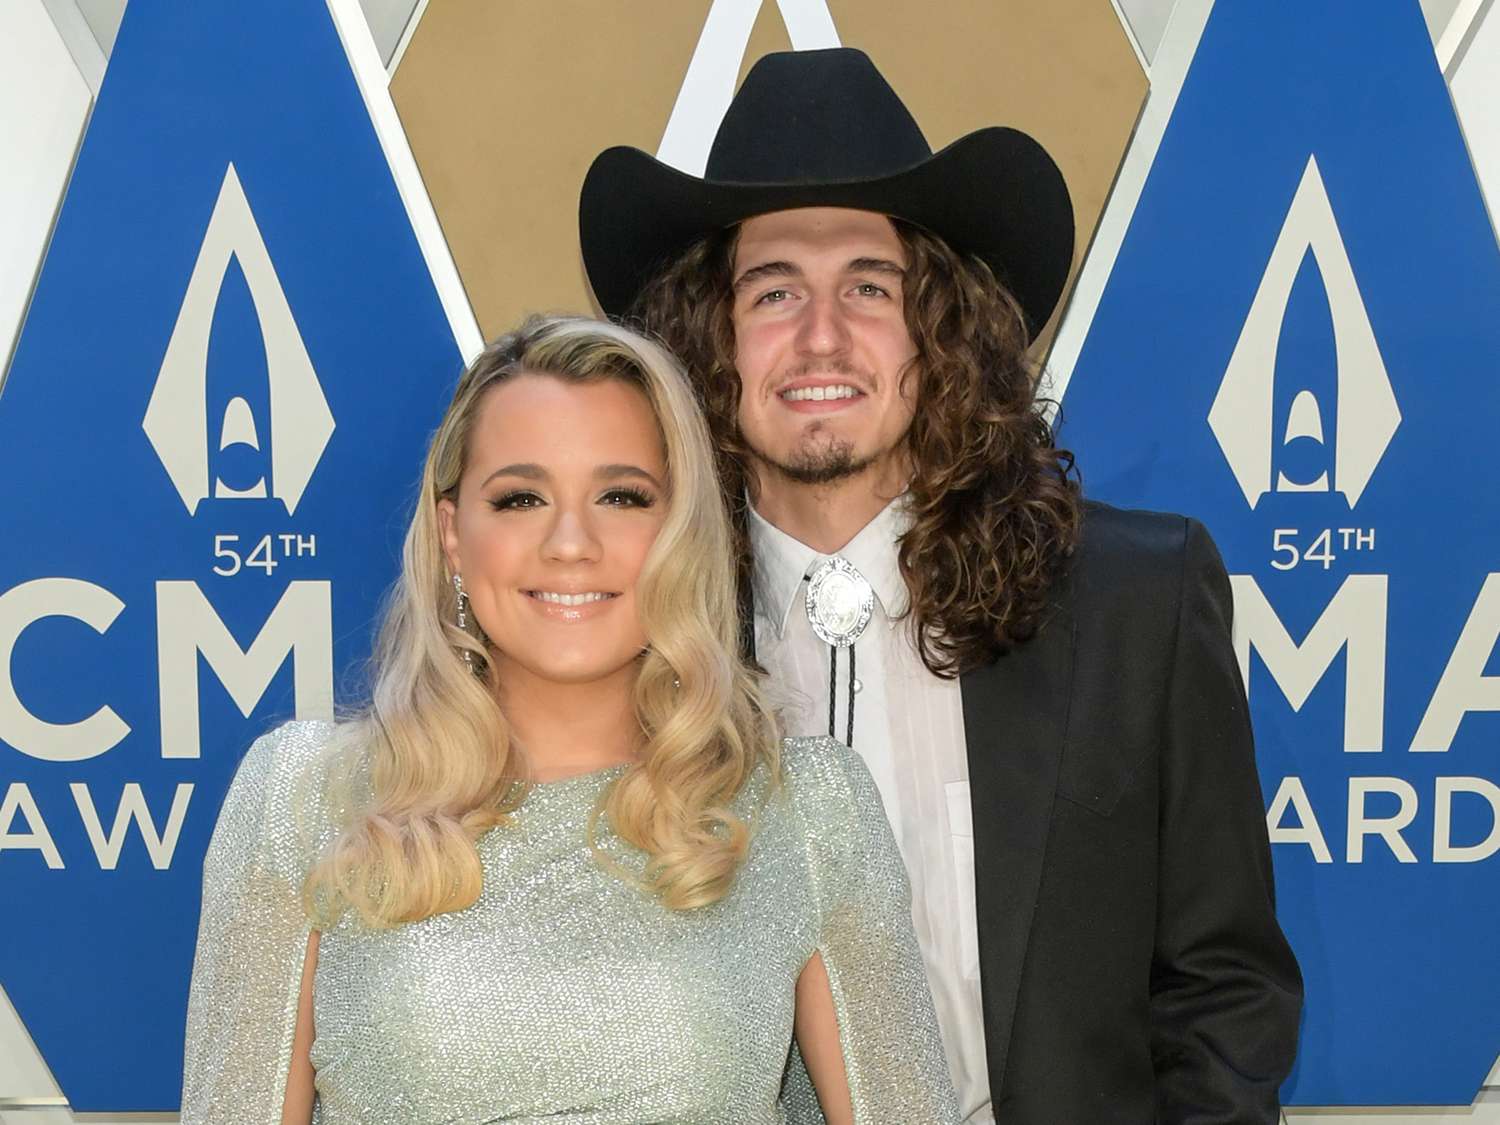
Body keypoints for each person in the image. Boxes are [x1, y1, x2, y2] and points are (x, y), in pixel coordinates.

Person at [579, 47, 1303, 1124]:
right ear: (710, 340)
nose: (821, 337)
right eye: (774, 290)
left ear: (940, 329)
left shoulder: (1134, 603)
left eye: (869, 287)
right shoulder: (616, 627)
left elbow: (1226, 991)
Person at [180, 315, 959, 1123]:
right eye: (520, 498)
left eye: (621, 496)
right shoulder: (302, 798)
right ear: (453, 532)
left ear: (679, 528)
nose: (570, 543)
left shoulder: (805, 813)